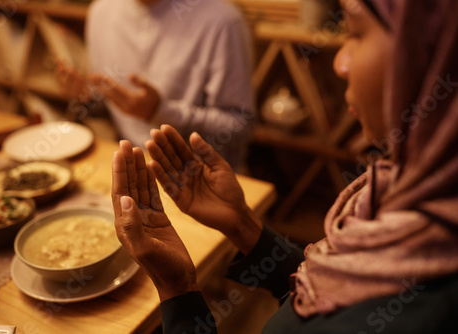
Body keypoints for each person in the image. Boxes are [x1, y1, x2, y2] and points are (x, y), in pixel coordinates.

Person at [111, 0, 458, 332]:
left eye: (357, 32)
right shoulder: (398, 189)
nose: (340, 62)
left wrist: (177, 289)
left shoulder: (419, 312)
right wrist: (244, 225)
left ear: (437, 53)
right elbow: (323, 295)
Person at [57, 0, 255, 170]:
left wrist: (160, 112)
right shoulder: (101, 12)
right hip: (129, 163)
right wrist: (85, 98)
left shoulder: (222, 21)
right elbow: (110, 109)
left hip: (198, 172)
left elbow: (240, 125)